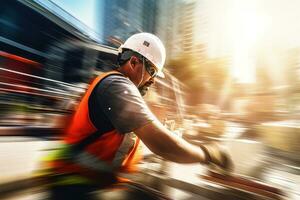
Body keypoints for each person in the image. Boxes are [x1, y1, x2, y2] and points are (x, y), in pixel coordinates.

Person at [41, 33, 233, 200]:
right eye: (152, 72)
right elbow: (163, 146)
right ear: (133, 62)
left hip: (88, 184)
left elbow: (133, 136)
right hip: (76, 188)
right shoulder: (117, 87)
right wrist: (208, 154)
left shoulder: (116, 87)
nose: (153, 80)